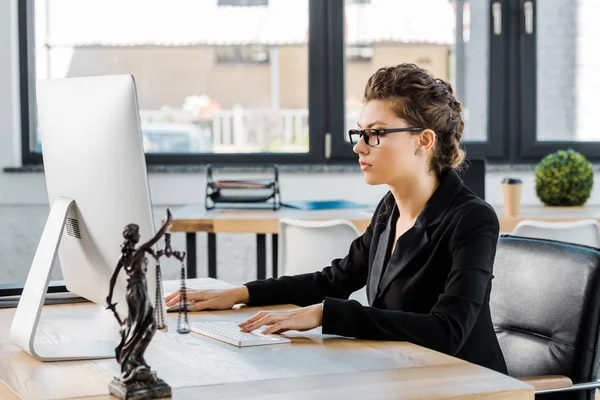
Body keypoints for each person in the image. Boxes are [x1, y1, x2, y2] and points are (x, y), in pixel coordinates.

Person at [165, 63, 508, 374]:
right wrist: (240, 293)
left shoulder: (472, 218)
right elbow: (333, 280)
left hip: (468, 385)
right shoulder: (390, 208)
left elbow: (448, 331)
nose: (360, 147)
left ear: (424, 140)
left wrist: (325, 314)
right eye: (359, 133)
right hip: (404, 375)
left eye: (375, 133)